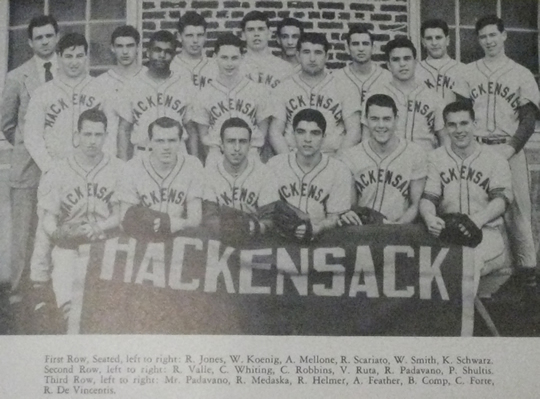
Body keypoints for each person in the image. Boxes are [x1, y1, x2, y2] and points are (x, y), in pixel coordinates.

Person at [24, 32, 106, 300]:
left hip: (92, 166)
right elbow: (32, 136)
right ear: (58, 58)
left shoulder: (98, 89)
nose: (74, 61)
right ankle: (38, 284)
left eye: (79, 55)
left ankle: (90, 284)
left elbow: (111, 131)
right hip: (56, 169)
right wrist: (49, 167)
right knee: (47, 226)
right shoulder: (43, 92)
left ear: (86, 57)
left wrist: (103, 163)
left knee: (93, 219)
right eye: (68, 55)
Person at [463, 15, 540, 291]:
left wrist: (508, 150)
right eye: (483, 36)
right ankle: (488, 277)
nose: (488, 41)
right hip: (478, 147)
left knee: (518, 211)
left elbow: (529, 121)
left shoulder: (520, 73)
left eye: (493, 35)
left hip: (510, 148)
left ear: (504, 35)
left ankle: (528, 277)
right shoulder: (468, 72)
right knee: (479, 209)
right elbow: (460, 114)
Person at [32, 109, 123, 332]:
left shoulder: (120, 169)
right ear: (77, 135)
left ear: (106, 137)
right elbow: (47, 221)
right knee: (65, 270)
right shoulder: (58, 170)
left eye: (98, 135)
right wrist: (58, 235)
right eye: (87, 134)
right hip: (70, 244)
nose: (92, 141)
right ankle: (65, 312)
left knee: (111, 313)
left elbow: (123, 214)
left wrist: (99, 226)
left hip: (106, 242)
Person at [419, 100, 513, 296]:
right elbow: (429, 197)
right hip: (448, 233)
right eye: (452, 124)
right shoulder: (435, 158)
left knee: (467, 262)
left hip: (487, 234)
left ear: (474, 124)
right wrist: (429, 217)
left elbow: (501, 201)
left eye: (464, 123)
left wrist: (477, 220)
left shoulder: (495, 159)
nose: (458, 130)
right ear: (445, 128)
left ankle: (460, 324)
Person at [0, 15, 59, 307]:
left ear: (57, 37)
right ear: (30, 42)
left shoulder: (68, 71)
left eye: (49, 36)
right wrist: (27, 147)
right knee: (24, 228)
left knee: (57, 222)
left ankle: (54, 284)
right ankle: (18, 287)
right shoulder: (16, 76)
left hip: (60, 164)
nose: (45, 42)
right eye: (39, 38)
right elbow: (8, 123)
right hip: (26, 166)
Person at [339, 94, 427, 225]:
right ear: (365, 120)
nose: (381, 125)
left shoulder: (415, 153)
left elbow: (415, 205)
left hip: (400, 230)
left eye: (387, 119)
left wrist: (398, 226)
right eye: (374, 119)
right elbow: (350, 205)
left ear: (396, 120)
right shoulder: (351, 156)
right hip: (363, 229)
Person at [269, 32, 361, 156]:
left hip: (331, 156)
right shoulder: (283, 88)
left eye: (318, 53)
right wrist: (287, 162)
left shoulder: (344, 87)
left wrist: (337, 163)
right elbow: (275, 131)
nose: (312, 58)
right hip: (293, 156)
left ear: (327, 56)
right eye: (306, 52)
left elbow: (354, 131)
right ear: (298, 55)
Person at [267, 109, 353, 238]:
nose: (307, 139)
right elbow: (266, 211)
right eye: (301, 132)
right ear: (293, 134)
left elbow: (335, 217)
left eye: (315, 133)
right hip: (280, 240)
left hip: (320, 242)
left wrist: (318, 227)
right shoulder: (274, 165)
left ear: (324, 137)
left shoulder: (339, 170)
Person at [190, 33, 272, 166]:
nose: (229, 63)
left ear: (242, 58)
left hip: (250, 154)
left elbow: (262, 130)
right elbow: (203, 136)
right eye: (224, 58)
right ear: (215, 58)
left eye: (234, 58)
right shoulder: (204, 93)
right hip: (216, 155)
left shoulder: (257, 90)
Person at [118, 117, 204, 236]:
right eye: (160, 141)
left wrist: (170, 223)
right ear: (150, 142)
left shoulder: (192, 165)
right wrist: (157, 224)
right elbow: (125, 219)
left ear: (180, 141)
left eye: (172, 140)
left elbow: (195, 220)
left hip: (179, 236)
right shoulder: (132, 167)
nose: (166, 147)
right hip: (143, 238)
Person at [116, 30, 195, 160]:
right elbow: (124, 129)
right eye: (157, 50)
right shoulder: (132, 85)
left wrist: (195, 163)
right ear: (148, 52)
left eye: (168, 52)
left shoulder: (184, 85)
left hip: (177, 153)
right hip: (144, 153)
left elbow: (191, 129)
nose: (162, 55)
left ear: (174, 55)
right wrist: (123, 165)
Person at [366, 37, 446, 152]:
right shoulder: (375, 94)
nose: (402, 64)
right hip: (388, 162)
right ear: (388, 65)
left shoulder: (433, 96)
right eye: (396, 60)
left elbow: (444, 139)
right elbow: (366, 137)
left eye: (407, 58)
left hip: (425, 161)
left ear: (415, 62)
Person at [202, 117, 279, 235]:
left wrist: (258, 227)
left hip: (254, 238)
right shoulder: (209, 173)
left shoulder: (264, 173)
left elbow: (270, 218)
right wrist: (233, 227)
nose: (237, 148)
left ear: (250, 145)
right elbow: (209, 217)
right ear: (221, 145)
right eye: (231, 141)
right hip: (221, 238)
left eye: (242, 141)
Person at [94, 25, 146, 157]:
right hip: (109, 154)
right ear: (112, 48)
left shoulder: (148, 78)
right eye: (119, 46)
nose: (125, 51)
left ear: (138, 47)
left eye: (130, 46)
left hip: (142, 154)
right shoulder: (101, 82)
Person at [332, 26, 392, 127]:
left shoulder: (387, 77)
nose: (361, 49)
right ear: (347, 48)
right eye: (355, 44)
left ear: (373, 48)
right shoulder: (336, 78)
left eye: (365, 44)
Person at [416, 19, 469, 104]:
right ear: (423, 42)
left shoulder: (463, 69)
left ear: (447, 40)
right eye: (429, 38)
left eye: (438, 37)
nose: (434, 43)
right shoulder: (415, 70)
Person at [240, 10, 295, 89]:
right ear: (243, 35)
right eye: (251, 30)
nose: (256, 34)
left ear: (269, 34)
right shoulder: (235, 66)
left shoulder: (284, 68)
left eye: (261, 29)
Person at [170, 11, 218, 90]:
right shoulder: (171, 66)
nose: (195, 40)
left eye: (200, 35)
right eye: (189, 35)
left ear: (205, 36)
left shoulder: (215, 66)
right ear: (179, 36)